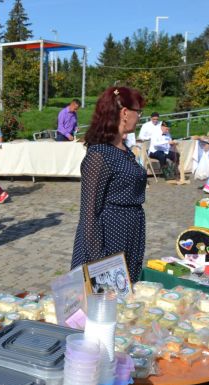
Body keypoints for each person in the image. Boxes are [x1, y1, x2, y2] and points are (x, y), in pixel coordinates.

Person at [71, 86, 147, 283]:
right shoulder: (99, 155)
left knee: (125, 303)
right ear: (124, 113)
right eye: (138, 112)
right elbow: (89, 215)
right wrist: (101, 264)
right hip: (107, 238)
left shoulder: (123, 149)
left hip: (129, 233)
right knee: (105, 301)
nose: (139, 117)